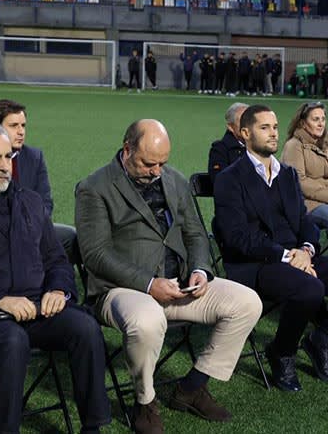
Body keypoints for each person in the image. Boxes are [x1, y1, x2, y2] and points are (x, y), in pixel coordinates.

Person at [75, 120, 261, 431]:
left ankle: (191, 388)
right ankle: (145, 403)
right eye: (149, 163)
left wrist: (201, 270)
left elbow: (196, 234)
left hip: (181, 286)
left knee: (247, 302)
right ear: (127, 150)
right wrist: (149, 284)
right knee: (147, 321)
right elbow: (95, 255)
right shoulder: (94, 187)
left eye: (163, 162)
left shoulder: (173, 179)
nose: (157, 170)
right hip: (121, 291)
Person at [0, 122, 111, 433]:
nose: (5, 167)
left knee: (85, 327)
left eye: (8, 157)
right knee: (11, 339)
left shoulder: (30, 202)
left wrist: (59, 290)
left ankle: (93, 426)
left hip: (34, 309)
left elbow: (56, 260)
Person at [214, 105, 328, 391]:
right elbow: (238, 238)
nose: (273, 133)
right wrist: (286, 256)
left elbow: (304, 221)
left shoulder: (287, 175)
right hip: (257, 264)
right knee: (311, 288)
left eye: (274, 127)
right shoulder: (229, 179)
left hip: (300, 257)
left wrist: (306, 249)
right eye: (264, 128)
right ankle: (282, 352)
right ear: (245, 133)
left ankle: (322, 339)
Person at [281, 101, 328, 253]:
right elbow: (300, 182)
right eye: (315, 119)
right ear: (303, 123)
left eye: (323, 119)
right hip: (307, 203)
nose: (321, 124)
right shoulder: (294, 145)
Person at [207, 102, 248, 183]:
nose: (248, 125)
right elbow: (220, 181)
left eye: (251, 120)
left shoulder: (260, 146)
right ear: (230, 127)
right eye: (242, 121)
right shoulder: (220, 149)